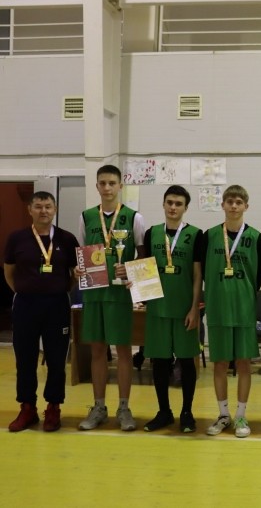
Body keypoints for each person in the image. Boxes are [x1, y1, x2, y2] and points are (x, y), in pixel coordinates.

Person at [77, 164, 146, 431]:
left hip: (120, 295)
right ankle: (98, 407)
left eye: (112, 183)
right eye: (102, 183)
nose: (107, 188)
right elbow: (82, 254)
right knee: (97, 350)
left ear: (120, 186)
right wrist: (78, 269)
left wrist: (128, 269)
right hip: (94, 294)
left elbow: (143, 257)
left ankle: (124, 408)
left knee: (124, 351)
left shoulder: (134, 218)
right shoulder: (86, 217)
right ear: (97, 186)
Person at [4, 191, 79, 432]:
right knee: (25, 359)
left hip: (57, 305)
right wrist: (24, 291)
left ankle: (53, 408)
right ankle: (27, 408)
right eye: (38, 206)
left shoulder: (67, 239)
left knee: (56, 360)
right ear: (30, 210)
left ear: (55, 209)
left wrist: (62, 289)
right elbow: (9, 272)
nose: (43, 211)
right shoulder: (17, 238)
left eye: (48, 206)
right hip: (25, 305)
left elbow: (75, 274)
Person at [203, 185, 261, 437]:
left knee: (243, 363)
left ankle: (240, 416)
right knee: (219, 363)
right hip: (218, 309)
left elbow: (259, 277)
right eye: (230, 202)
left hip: (244, 309)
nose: (234, 206)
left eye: (239, 202)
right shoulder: (209, 236)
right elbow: (201, 272)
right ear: (223, 205)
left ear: (246, 206)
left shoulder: (256, 237)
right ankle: (223, 414)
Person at [142, 186, 204, 433]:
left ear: (185, 207)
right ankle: (164, 412)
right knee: (159, 362)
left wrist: (194, 308)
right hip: (158, 307)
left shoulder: (196, 235)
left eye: (178, 203)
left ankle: (187, 412)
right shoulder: (151, 233)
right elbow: (145, 268)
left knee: (187, 362)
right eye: (169, 202)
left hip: (183, 309)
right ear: (163, 204)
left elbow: (198, 275)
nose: (173, 207)